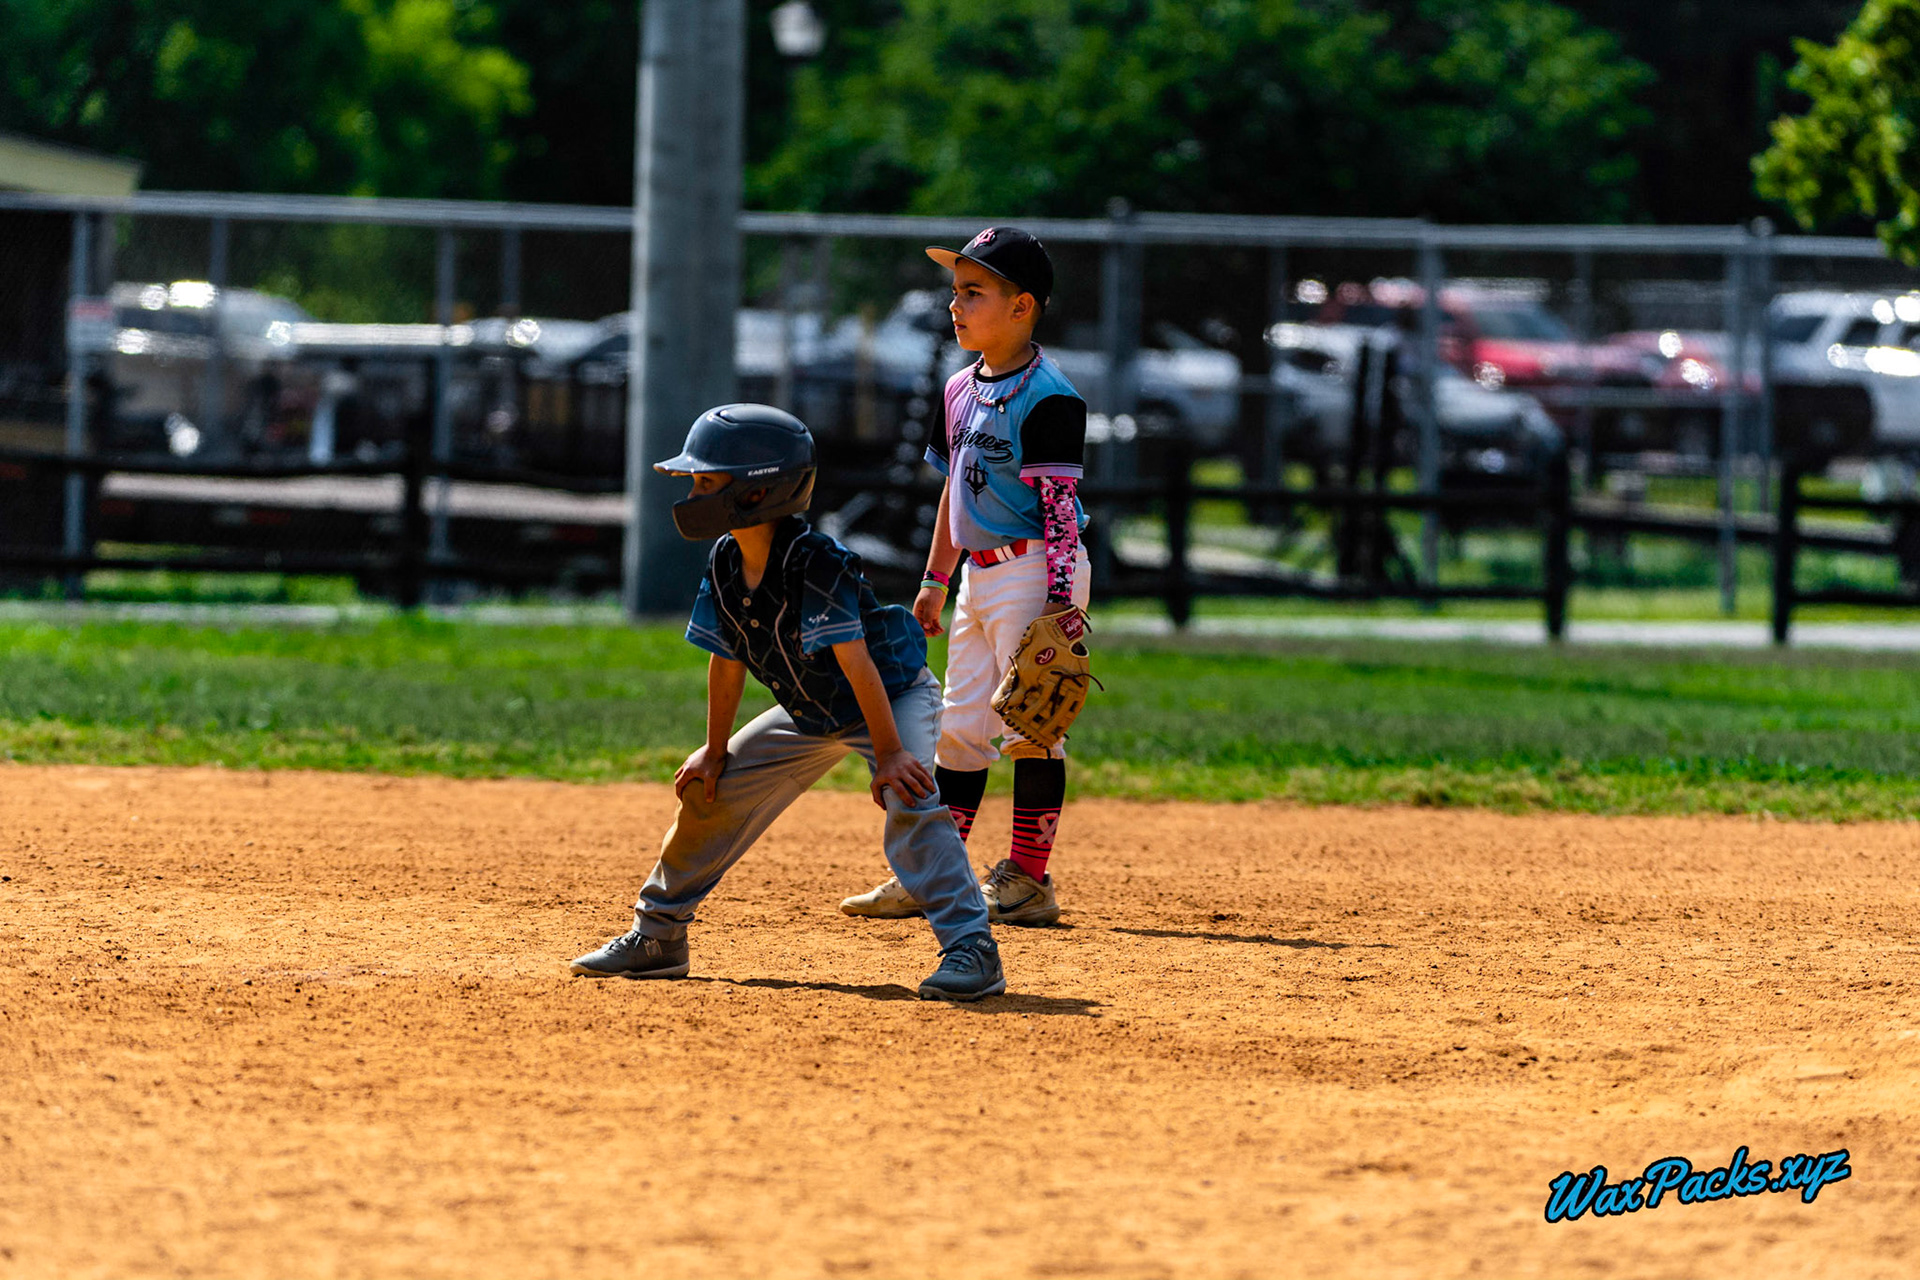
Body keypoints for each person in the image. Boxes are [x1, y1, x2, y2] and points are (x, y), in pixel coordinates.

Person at [570, 403, 1004, 1002]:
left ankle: (970, 947)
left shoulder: (814, 560)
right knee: (709, 790)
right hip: (812, 710)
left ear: (757, 491)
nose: (693, 493)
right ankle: (659, 936)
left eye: (706, 481)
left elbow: (858, 663)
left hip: (889, 695)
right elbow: (726, 662)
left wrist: (888, 755)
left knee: (909, 791)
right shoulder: (725, 561)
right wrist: (715, 752)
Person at [841, 227, 1090, 928]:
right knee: (959, 730)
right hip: (978, 577)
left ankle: (1028, 881)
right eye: (956, 291)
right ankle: (938, 876)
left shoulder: (1051, 397)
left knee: (1033, 727)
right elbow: (954, 486)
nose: (956, 305)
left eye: (974, 292)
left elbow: (1060, 509)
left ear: (1022, 307)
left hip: (1035, 568)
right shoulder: (958, 388)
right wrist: (935, 577)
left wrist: (1063, 608)